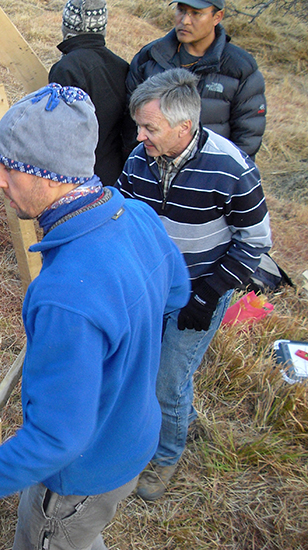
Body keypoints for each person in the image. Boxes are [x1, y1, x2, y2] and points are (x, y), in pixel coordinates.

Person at [0, 83, 190, 550]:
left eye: (10, 167)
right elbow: (176, 293)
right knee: (85, 537)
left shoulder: (65, 297)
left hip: (81, 475)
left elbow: (55, 441)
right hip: (133, 434)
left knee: (57, 537)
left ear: (49, 175)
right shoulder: (137, 216)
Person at [117, 68, 272, 501]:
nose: (141, 136)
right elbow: (124, 215)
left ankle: (165, 457)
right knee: (146, 370)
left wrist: (207, 294)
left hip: (200, 293)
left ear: (184, 127)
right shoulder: (139, 159)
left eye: (150, 128)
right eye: (139, 127)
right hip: (148, 289)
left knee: (168, 380)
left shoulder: (231, 168)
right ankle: (174, 418)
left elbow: (255, 242)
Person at [125, 0, 266, 159]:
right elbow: (130, 121)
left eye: (196, 13)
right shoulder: (151, 57)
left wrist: (223, 175)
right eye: (181, 10)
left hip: (209, 173)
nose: (185, 20)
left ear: (217, 17)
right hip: (152, 170)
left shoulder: (239, 68)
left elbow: (248, 135)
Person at [48, 0, 130, 187]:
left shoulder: (67, 68)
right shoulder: (121, 65)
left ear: (68, 25)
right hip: (116, 174)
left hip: (81, 178)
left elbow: (60, 133)